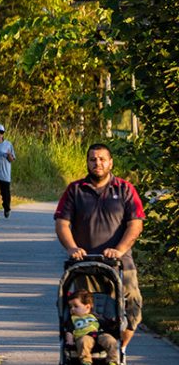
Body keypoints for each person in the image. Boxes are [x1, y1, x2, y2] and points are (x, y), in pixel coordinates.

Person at [54, 143, 145, 348]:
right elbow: (62, 224)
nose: (98, 163)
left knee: (132, 309)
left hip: (120, 263)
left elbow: (136, 224)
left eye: (102, 159)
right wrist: (71, 248)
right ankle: (86, 352)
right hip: (84, 265)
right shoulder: (75, 190)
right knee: (85, 311)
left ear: (110, 162)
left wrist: (119, 250)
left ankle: (120, 350)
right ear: (87, 162)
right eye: (93, 159)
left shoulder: (125, 189)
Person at [64, 289, 120, 365]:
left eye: (76, 306)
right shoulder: (72, 319)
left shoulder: (95, 316)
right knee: (84, 341)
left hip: (98, 335)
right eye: (70, 307)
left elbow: (105, 324)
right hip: (83, 336)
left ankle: (112, 361)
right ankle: (86, 362)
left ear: (87, 307)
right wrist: (70, 341)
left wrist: (113, 321)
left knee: (110, 340)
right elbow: (69, 331)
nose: (72, 309)